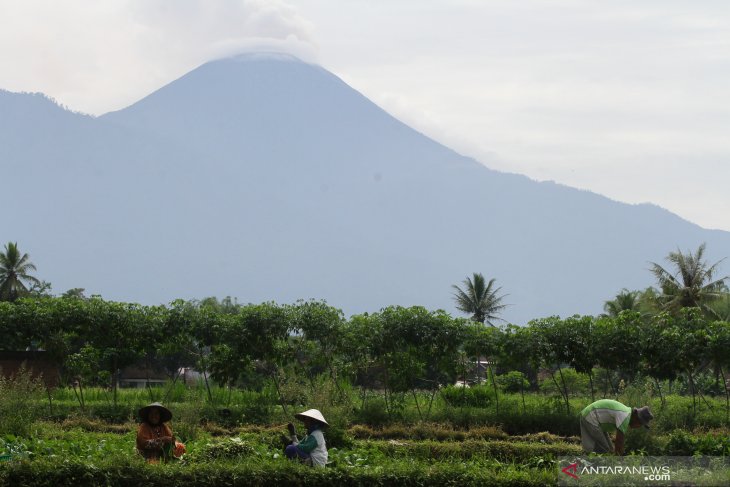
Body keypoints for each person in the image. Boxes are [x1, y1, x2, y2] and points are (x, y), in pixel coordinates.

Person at [579, 399, 653, 455]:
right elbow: (619, 442)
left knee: (610, 449)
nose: (639, 427)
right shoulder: (625, 416)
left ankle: (582, 465)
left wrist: (619, 453)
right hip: (591, 417)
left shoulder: (626, 414)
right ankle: (587, 468)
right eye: (640, 424)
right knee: (604, 450)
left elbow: (618, 446)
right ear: (636, 418)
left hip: (595, 420)